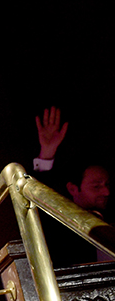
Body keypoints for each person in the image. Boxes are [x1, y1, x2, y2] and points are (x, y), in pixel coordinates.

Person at [32, 107, 111, 266]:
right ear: (73, 189)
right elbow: (35, 203)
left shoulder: (111, 218)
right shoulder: (61, 227)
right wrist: (46, 154)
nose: (106, 191)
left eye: (107, 185)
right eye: (96, 186)